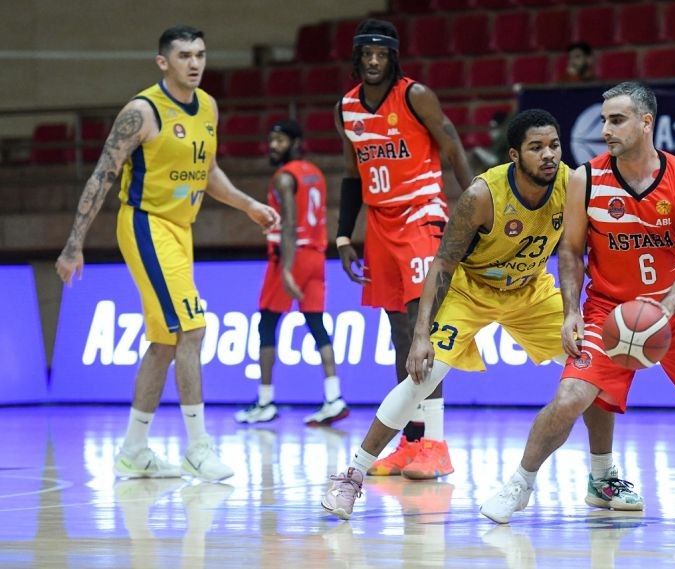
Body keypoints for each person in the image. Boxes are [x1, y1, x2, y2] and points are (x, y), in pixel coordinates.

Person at [479, 82, 675, 524]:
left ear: (646, 122)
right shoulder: (586, 179)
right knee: (569, 398)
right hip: (607, 310)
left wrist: (664, 310)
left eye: (616, 120)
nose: (605, 130)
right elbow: (570, 251)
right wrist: (571, 311)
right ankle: (520, 484)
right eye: (603, 120)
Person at [322, 109, 642, 521]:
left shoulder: (572, 183)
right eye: (536, 147)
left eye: (554, 145)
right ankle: (351, 476)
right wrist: (420, 335)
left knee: (592, 367)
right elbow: (442, 263)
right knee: (422, 379)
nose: (549, 154)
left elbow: (572, 252)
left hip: (530, 290)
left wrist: (572, 311)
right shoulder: (483, 195)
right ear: (514, 155)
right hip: (470, 291)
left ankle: (602, 477)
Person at [55, 25, 280, 482]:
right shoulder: (142, 111)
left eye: (200, 54)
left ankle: (133, 451)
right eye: (184, 56)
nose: (194, 63)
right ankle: (198, 448)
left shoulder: (208, 107)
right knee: (193, 328)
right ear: (163, 62)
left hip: (181, 229)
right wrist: (74, 244)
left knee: (164, 342)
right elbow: (101, 175)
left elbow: (208, 172)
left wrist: (248, 204)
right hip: (145, 223)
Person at [333, 18, 474, 479]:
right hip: (379, 224)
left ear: (392, 58)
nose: (374, 61)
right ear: (358, 59)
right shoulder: (346, 108)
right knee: (398, 334)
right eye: (367, 54)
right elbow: (352, 174)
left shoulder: (415, 96)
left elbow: (451, 146)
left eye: (382, 54)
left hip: (420, 214)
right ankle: (411, 442)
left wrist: (480, 206)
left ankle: (436, 444)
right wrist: (343, 235)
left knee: (421, 325)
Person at [234, 120, 348, 426]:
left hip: (290, 255)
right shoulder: (315, 173)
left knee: (267, 323)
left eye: (280, 140)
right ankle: (334, 397)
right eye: (271, 139)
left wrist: (285, 269)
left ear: (296, 143)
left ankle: (265, 401)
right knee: (316, 324)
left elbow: (290, 224)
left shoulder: (284, 177)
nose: (273, 146)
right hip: (316, 255)